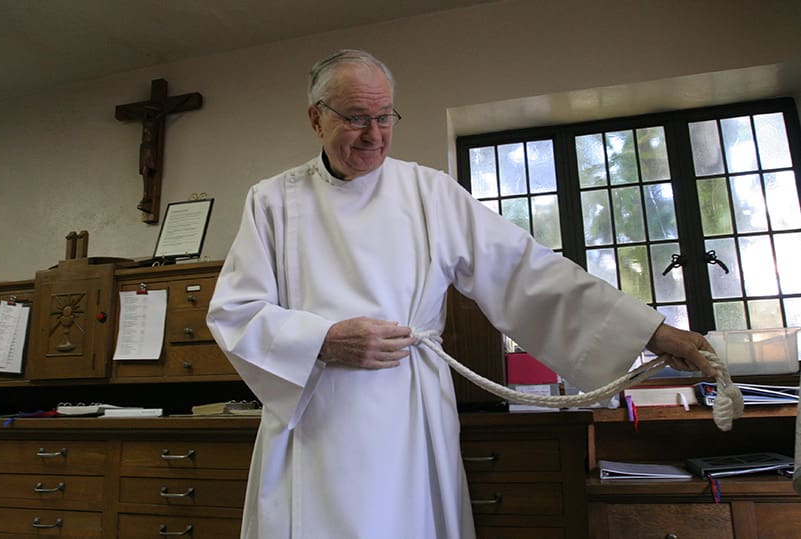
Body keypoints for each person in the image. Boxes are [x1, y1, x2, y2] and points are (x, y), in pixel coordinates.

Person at [206, 49, 716, 539]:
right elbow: (234, 313)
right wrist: (323, 339)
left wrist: (652, 331)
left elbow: (525, 271)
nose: (374, 134)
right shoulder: (272, 201)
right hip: (313, 419)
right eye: (357, 117)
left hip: (408, 409)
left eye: (385, 117)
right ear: (316, 119)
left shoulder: (429, 193)